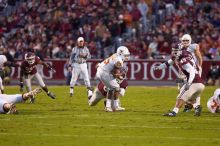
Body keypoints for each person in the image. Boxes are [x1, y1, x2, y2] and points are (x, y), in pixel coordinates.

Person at [155, 34, 203, 112]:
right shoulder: (178, 50)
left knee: (192, 89)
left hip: (192, 71)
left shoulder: (193, 47)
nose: (185, 42)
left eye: (187, 40)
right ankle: (189, 105)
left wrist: (200, 68)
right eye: (183, 40)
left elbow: (199, 57)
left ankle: (196, 105)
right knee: (180, 87)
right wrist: (159, 67)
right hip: (182, 72)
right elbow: (168, 63)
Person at [96, 46, 130, 112]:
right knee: (116, 87)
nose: (127, 57)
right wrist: (121, 75)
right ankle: (112, 106)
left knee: (111, 88)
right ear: (120, 54)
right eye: (125, 55)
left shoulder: (115, 55)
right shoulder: (119, 61)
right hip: (104, 73)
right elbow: (114, 74)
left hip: (101, 70)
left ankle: (111, 106)